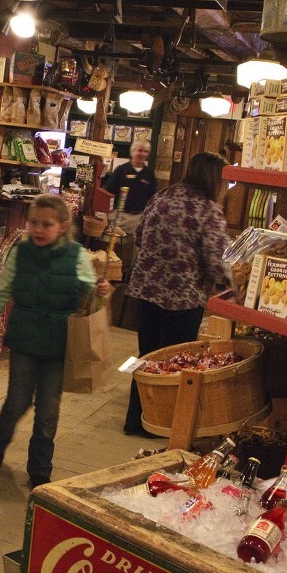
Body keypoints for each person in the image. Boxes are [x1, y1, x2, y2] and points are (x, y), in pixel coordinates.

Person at [0, 194, 112, 488]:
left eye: (47, 224)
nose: (38, 229)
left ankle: (40, 469)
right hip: (24, 342)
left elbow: (89, 303)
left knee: (48, 411)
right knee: (17, 403)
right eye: (33, 223)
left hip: (60, 346)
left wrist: (101, 292)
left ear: (62, 226)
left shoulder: (78, 256)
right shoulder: (20, 253)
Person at [122, 151, 231, 437]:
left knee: (146, 358)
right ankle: (158, 426)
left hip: (146, 291)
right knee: (172, 364)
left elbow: (138, 236)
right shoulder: (208, 210)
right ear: (214, 178)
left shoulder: (161, 197)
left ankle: (135, 420)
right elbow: (216, 261)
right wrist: (229, 284)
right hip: (183, 299)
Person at [101, 139, 158, 233]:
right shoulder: (121, 170)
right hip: (120, 218)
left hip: (138, 219)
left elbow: (152, 199)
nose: (142, 154)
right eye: (140, 150)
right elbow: (109, 193)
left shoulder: (149, 174)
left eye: (146, 151)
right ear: (132, 151)